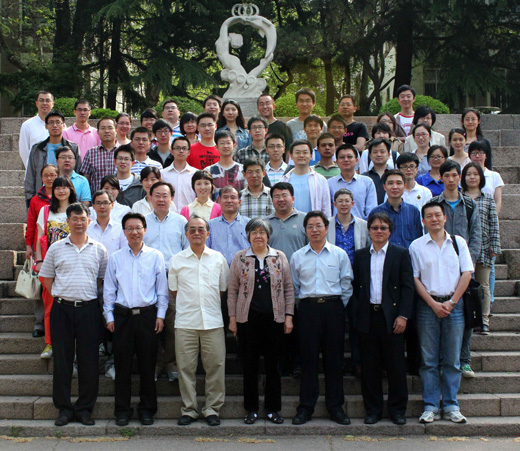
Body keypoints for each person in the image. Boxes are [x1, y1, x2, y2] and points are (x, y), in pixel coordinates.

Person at [39, 203, 108, 427]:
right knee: (62, 360)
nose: (79, 223)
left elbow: (101, 280)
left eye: (83, 219)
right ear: (67, 222)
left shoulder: (99, 249)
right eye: (74, 219)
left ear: (89, 221)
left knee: (89, 361)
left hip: (89, 310)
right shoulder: (56, 248)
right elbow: (47, 279)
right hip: (62, 310)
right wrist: (62, 296)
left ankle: (85, 408)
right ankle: (64, 409)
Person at [410, 202, 473, 424]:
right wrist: (432, 304)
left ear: (445, 218)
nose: (434, 219)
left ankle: (451, 405)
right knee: (428, 360)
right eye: (429, 216)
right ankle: (430, 406)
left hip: (454, 306)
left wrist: (452, 302)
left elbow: (467, 273)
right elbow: (415, 278)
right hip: (427, 307)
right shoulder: (416, 246)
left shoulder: (458, 242)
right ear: (423, 221)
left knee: (452, 359)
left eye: (438, 215)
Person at [103, 212, 169, 427]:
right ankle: (122, 410)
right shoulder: (115, 258)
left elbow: (162, 290)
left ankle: (147, 410)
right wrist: (109, 316)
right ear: (124, 232)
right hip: (122, 317)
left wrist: (160, 316)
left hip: (148, 316)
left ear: (145, 230)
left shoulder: (155, 256)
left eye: (138, 228)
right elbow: (109, 290)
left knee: (148, 366)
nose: (134, 232)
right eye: (129, 228)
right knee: (122, 366)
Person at [228, 218, 294, 425]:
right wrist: (232, 318)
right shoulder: (239, 258)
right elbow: (232, 290)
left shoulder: (279, 257)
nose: (258, 236)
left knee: (273, 366)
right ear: (248, 236)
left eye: (262, 232)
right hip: (247, 320)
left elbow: (288, 288)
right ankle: (251, 409)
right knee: (250, 366)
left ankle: (273, 409)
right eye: (254, 232)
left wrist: (289, 316)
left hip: (275, 319)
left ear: (268, 235)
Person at [290, 211, 353, 425]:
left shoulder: (339, 254)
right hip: (308, 310)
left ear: (326, 229)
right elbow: (295, 287)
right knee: (308, 360)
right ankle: (306, 407)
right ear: (305, 230)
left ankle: (336, 407)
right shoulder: (298, 256)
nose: (314, 230)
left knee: (334, 360)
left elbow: (346, 284)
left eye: (319, 225)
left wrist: (337, 307)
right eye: (310, 226)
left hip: (333, 308)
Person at [352, 212, 414, 425]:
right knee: (370, 367)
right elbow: (356, 287)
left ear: (390, 231)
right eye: (375, 227)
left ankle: (397, 410)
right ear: (369, 230)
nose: (379, 231)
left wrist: (403, 316)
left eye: (383, 228)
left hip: (393, 318)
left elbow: (408, 287)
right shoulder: (360, 255)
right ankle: (373, 410)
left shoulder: (401, 254)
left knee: (396, 366)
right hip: (368, 316)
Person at [169, 216, 229, 426]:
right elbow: (174, 291)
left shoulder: (218, 259)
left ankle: (212, 409)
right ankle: (189, 409)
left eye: (201, 229)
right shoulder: (176, 260)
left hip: (213, 321)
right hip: (186, 322)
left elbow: (222, 289)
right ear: (186, 234)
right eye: (192, 229)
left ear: (208, 233)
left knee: (216, 366)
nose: (197, 233)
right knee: (185, 368)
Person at [432, 160, 481, 379]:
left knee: (467, 314)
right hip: (439, 267)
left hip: (464, 268)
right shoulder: (434, 203)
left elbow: (476, 235)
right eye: (446, 176)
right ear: (441, 178)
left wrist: (468, 264)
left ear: (459, 177)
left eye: (454, 175)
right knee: (442, 314)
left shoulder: (470, 204)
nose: (451, 179)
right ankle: (443, 360)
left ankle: (465, 360)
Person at [144, 181, 188, 382]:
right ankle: (154, 364)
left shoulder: (181, 222)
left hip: (172, 277)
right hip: (147, 279)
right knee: (150, 322)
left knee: (172, 322)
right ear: (150, 197)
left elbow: (186, 252)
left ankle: (170, 363)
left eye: (165, 196)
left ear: (172, 198)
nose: (161, 199)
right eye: (157, 195)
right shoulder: (143, 222)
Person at [327, 188, 370, 379]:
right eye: (340, 201)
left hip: (357, 281)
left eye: (347, 201)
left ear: (353, 204)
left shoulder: (363, 225)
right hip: (332, 279)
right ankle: (336, 363)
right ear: (334, 204)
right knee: (334, 326)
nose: (343, 204)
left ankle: (357, 361)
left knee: (356, 324)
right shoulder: (326, 225)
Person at [34, 176, 77, 359]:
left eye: (65, 187)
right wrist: (39, 261)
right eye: (58, 187)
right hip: (50, 265)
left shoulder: (77, 210)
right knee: (50, 306)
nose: (61, 190)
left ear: (71, 189)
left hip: (73, 265)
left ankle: (71, 343)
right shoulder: (45, 211)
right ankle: (50, 343)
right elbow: (39, 238)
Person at [461, 163, 501, 335]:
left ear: (481, 177)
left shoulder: (488, 198)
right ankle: (468, 318)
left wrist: (494, 246)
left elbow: (494, 224)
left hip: (484, 247)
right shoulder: (460, 198)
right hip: (463, 248)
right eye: (468, 174)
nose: (472, 177)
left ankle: (484, 320)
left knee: (483, 285)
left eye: (475, 174)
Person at [25, 164, 58, 338]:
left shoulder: (62, 197)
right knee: (40, 288)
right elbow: (31, 225)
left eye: (53, 175)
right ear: (42, 178)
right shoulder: (36, 200)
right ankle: (40, 324)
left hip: (58, 250)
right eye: (46, 175)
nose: (49, 178)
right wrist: (28, 246)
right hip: (41, 250)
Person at [24, 110, 81, 207]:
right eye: (51, 122)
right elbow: (30, 174)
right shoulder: (37, 149)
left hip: (66, 199)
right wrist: (30, 199)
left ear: (63, 125)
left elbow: (78, 172)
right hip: (43, 198)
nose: (55, 125)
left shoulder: (73, 148)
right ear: (46, 126)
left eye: (58, 122)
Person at [369, 170, 423, 249]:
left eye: (399, 183)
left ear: (404, 186)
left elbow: (418, 238)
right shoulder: (376, 212)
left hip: (409, 254)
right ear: (384, 187)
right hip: (385, 255)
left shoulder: (413, 211)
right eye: (390, 183)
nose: (395, 187)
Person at [280, 140, 331, 216]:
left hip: (314, 222)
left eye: (305, 152)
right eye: (297, 152)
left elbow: (326, 208)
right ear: (291, 156)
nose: (301, 155)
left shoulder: (321, 180)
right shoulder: (284, 180)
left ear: (311, 156)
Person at [328, 144, 377, 220]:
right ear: (337, 161)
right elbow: (327, 210)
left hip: (361, 226)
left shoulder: (367, 182)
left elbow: (371, 211)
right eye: (342, 157)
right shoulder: (329, 183)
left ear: (356, 160)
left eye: (350, 157)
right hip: (335, 226)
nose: (346, 160)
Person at [207, 186, 250, 267]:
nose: (229, 201)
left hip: (244, 270)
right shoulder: (210, 225)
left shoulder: (249, 224)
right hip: (217, 270)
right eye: (225, 197)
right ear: (219, 201)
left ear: (239, 202)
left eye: (233, 197)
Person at [80, 117, 118, 194]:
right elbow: (85, 179)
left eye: (110, 128)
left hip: (119, 198)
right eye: (103, 128)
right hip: (97, 198)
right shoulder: (91, 153)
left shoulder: (123, 152)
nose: (106, 131)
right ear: (97, 132)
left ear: (116, 131)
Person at [206, 130, 246, 198]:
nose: (225, 146)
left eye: (228, 143)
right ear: (216, 147)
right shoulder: (208, 171)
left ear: (234, 145)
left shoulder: (242, 169)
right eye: (222, 143)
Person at [160, 136, 197, 210]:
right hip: (169, 214)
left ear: (189, 152)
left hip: (190, 214)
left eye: (184, 148)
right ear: (172, 151)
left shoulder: (195, 174)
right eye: (177, 148)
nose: (181, 151)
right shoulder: (163, 174)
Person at [19, 91, 54, 167]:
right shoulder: (27, 125)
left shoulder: (60, 125)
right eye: (41, 100)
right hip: (35, 169)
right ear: (36, 103)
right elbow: (24, 151)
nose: (44, 103)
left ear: (52, 104)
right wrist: (32, 170)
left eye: (47, 100)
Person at [468, 141, 504, 215]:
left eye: (481, 153)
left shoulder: (494, 176)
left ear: (486, 155)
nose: (477, 156)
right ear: (469, 156)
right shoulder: (465, 175)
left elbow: (498, 201)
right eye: (474, 153)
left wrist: (493, 217)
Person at [87, 190, 125, 256]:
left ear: (112, 205)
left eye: (105, 203)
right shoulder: (87, 228)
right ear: (93, 206)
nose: (102, 206)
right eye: (98, 203)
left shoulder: (120, 229)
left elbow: (124, 251)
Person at [362, 138, 392, 204]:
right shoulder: (364, 177)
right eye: (375, 152)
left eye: (382, 152)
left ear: (388, 155)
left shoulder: (394, 176)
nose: (379, 155)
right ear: (370, 155)